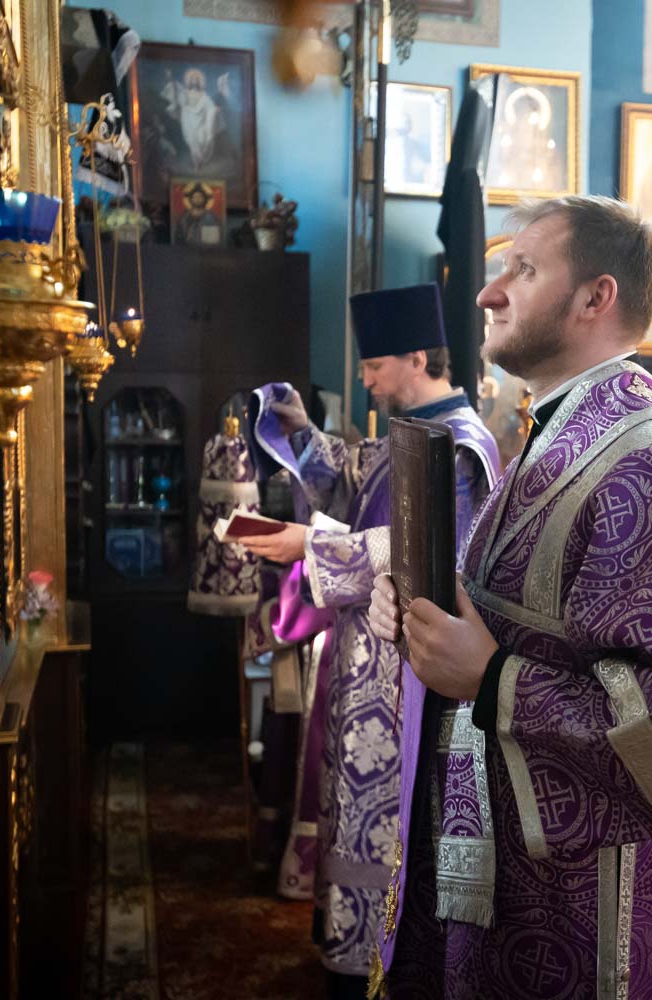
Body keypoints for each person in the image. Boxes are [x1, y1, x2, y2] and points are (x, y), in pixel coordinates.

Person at [367, 195, 652, 997]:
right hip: (511, 872)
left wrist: (492, 679)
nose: (487, 293)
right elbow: (511, 613)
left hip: (588, 909)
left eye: (522, 270)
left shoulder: (651, 461)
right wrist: (416, 609)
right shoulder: (562, 431)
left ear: (595, 297)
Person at [239, 284, 501, 997]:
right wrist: (298, 430)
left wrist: (308, 543)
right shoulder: (405, 434)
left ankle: (374, 966)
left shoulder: (462, 446)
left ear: (417, 357)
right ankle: (346, 953)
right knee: (349, 815)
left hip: (404, 676)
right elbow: (350, 479)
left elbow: (439, 556)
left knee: (382, 827)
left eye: (374, 366)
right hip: (360, 667)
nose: (365, 380)